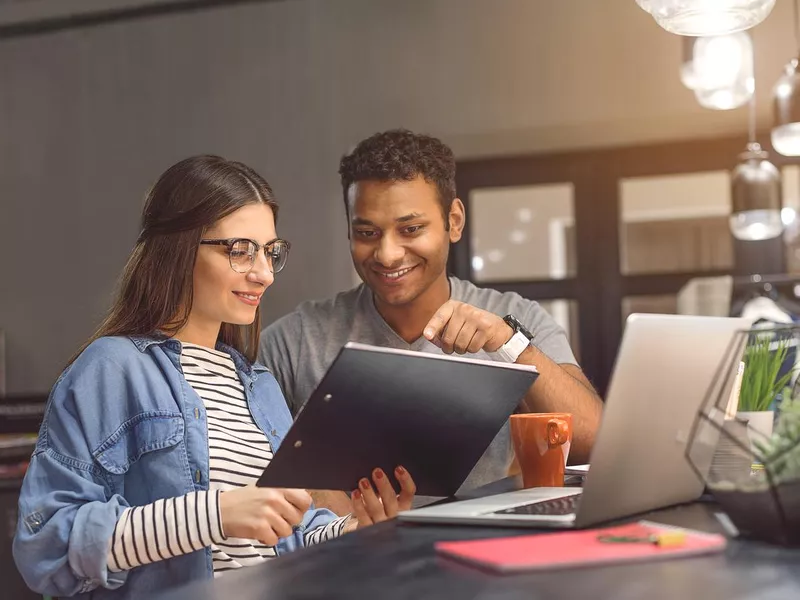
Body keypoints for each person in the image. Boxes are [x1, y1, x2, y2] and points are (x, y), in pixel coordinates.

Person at [13, 155, 416, 600]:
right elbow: (47, 546)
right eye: (240, 250)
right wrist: (215, 514)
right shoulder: (111, 367)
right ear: (181, 248)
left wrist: (352, 531)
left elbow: (287, 536)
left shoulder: (259, 384)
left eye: (270, 252)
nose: (263, 273)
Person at [260, 129, 603, 515]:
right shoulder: (295, 341)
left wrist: (510, 342)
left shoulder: (514, 318)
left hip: (481, 551)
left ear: (453, 222)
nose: (388, 254)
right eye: (367, 233)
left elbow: (595, 440)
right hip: (348, 560)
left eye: (410, 229)